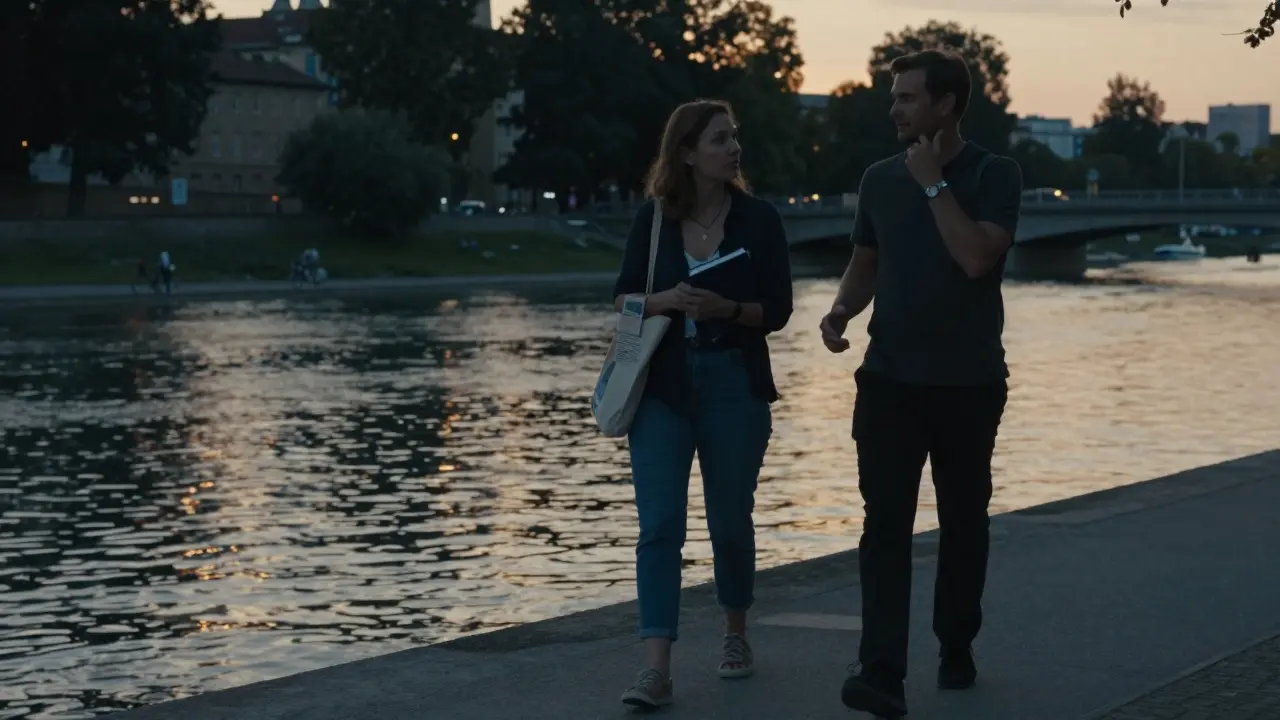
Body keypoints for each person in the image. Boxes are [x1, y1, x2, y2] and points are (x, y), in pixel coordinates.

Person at [818, 50, 1023, 718]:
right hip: (889, 383)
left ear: (946, 103)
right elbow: (867, 259)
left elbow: (974, 257)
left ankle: (956, 641)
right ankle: (880, 672)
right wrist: (843, 307)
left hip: (968, 386)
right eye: (894, 96)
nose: (895, 107)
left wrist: (934, 183)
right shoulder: (880, 179)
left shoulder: (996, 175)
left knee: (963, 523)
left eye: (907, 97)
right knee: (885, 528)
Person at [612, 99, 794, 709]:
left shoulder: (759, 220)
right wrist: (668, 298)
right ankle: (656, 669)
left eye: (734, 137)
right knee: (659, 526)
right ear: (687, 152)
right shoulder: (655, 219)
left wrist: (729, 311)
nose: (733, 148)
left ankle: (735, 635)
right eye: (720, 139)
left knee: (729, 520)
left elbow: (779, 310)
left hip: (733, 382)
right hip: (662, 389)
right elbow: (625, 301)